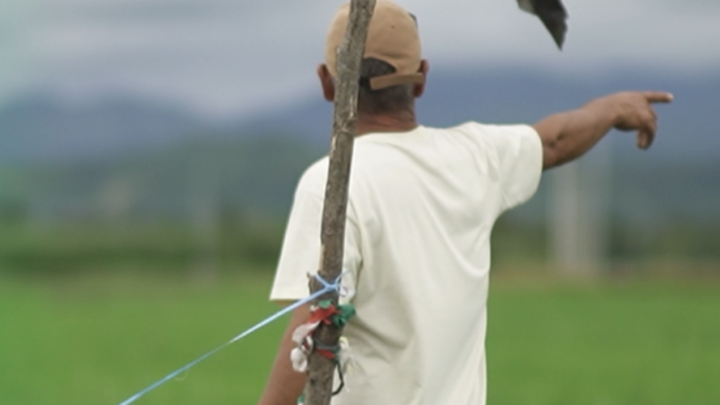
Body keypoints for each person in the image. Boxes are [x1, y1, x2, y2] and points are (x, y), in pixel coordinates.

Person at [258, 1, 673, 404]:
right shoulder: (474, 157)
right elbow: (554, 140)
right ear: (422, 77)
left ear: (327, 82)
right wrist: (613, 108)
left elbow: (315, 323)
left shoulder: (331, 182)